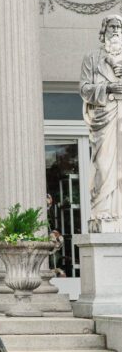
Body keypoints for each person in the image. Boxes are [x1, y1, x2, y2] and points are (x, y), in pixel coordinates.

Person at [80, 14, 122, 230]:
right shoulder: (93, 58)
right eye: (111, 26)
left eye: (119, 27)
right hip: (104, 117)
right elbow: (84, 89)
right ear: (104, 30)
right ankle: (102, 210)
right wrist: (107, 89)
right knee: (104, 165)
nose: (115, 31)